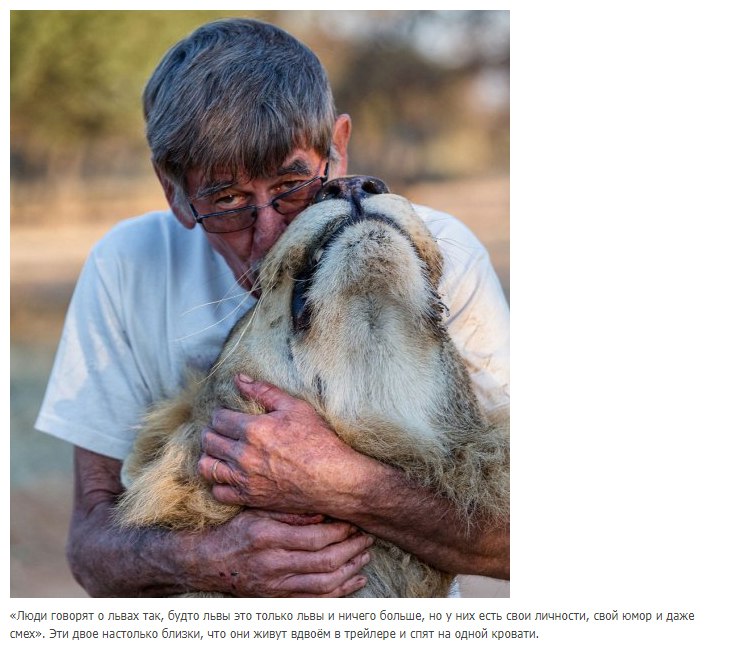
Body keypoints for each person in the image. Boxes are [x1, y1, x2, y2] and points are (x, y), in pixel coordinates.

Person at [35, 17, 510, 597]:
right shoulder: (127, 263)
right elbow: (89, 550)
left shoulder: (436, 252)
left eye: (292, 186)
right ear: (173, 191)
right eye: (229, 200)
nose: (268, 234)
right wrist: (204, 558)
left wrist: (344, 484)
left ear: (337, 147)